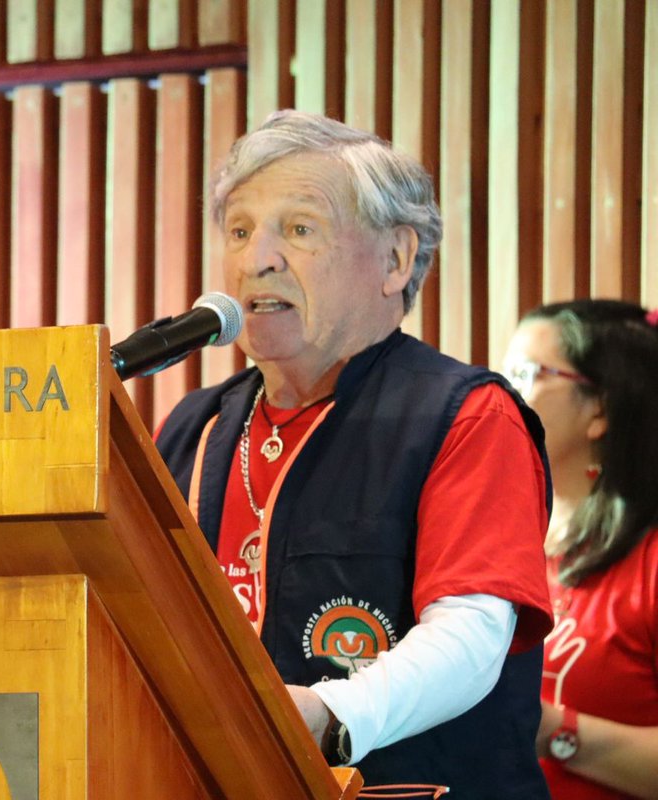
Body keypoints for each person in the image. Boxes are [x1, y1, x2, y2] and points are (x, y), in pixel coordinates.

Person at [154, 110, 554, 797]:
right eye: (240, 231)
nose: (258, 259)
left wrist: (326, 713)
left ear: (395, 260)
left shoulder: (464, 415)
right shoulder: (196, 425)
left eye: (299, 229)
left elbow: (469, 641)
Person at [502, 300, 658, 799]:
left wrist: (555, 732)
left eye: (528, 374)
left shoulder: (649, 563)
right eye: (503, 374)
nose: (502, 395)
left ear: (601, 409)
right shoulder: (502, 536)